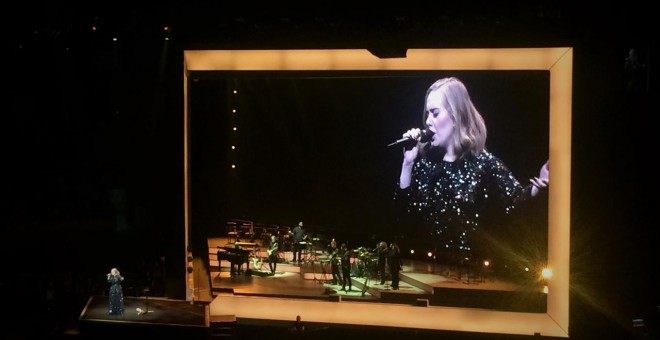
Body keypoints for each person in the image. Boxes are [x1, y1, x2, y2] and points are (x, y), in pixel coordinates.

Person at [395, 77, 549, 268]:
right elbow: (404, 217)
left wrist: (538, 187)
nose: (428, 122)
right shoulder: (427, 162)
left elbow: (515, 202)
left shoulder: (484, 163)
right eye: (427, 114)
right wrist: (407, 163)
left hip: (470, 266)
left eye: (435, 113)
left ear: (456, 115)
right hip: (426, 263)